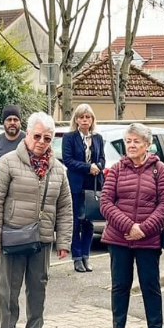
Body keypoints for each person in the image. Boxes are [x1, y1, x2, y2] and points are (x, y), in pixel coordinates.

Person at [0, 112, 72, 328]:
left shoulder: (58, 169)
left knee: (38, 286)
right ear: (27, 136)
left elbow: (65, 207)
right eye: (37, 136)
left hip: (42, 238)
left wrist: (63, 241)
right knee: (9, 289)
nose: (42, 142)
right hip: (12, 236)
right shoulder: (8, 162)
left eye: (47, 138)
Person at [100, 123, 164, 328]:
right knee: (120, 284)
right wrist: (129, 226)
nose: (131, 145)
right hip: (119, 237)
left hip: (148, 239)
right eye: (128, 141)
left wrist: (143, 229)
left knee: (150, 284)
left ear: (147, 145)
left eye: (136, 141)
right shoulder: (117, 168)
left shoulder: (158, 169)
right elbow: (106, 203)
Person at [62, 104, 106, 272]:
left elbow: (102, 158)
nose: (85, 120)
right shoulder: (69, 138)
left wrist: (98, 166)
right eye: (81, 117)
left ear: (92, 119)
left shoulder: (98, 138)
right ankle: (77, 258)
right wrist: (88, 167)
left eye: (88, 117)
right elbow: (68, 161)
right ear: (76, 120)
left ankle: (86, 257)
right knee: (76, 223)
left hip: (93, 186)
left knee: (89, 223)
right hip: (76, 186)